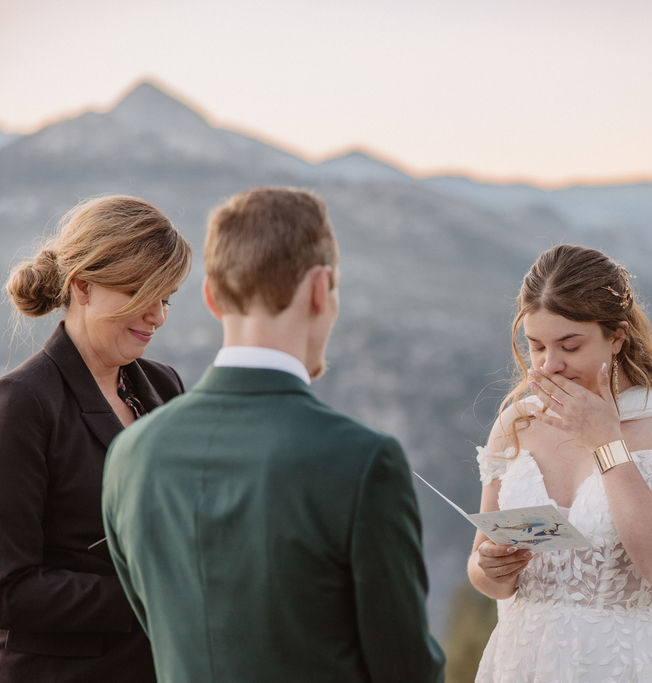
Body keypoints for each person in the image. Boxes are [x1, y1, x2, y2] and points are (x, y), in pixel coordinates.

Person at [101, 187, 446, 682]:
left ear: (211, 297)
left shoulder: (131, 453)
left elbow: (158, 627)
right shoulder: (363, 461)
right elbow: (407, 669)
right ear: (320, 289)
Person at [468, 244, 652, 683]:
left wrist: (605, 441)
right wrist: (489, 567)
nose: (549, 365)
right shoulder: (516, 424)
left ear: (616, 337)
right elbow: (484, 571)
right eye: (536, 346)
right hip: (524, 661)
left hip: (631, 664)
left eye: (570, 345)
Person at [0, 196, 191, 682]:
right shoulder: (22, 403)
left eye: (166, 297)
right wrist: (154, 595)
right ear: (82, 285)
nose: (158, 316)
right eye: (141, 292)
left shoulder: (164, 385)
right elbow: (11, 590)